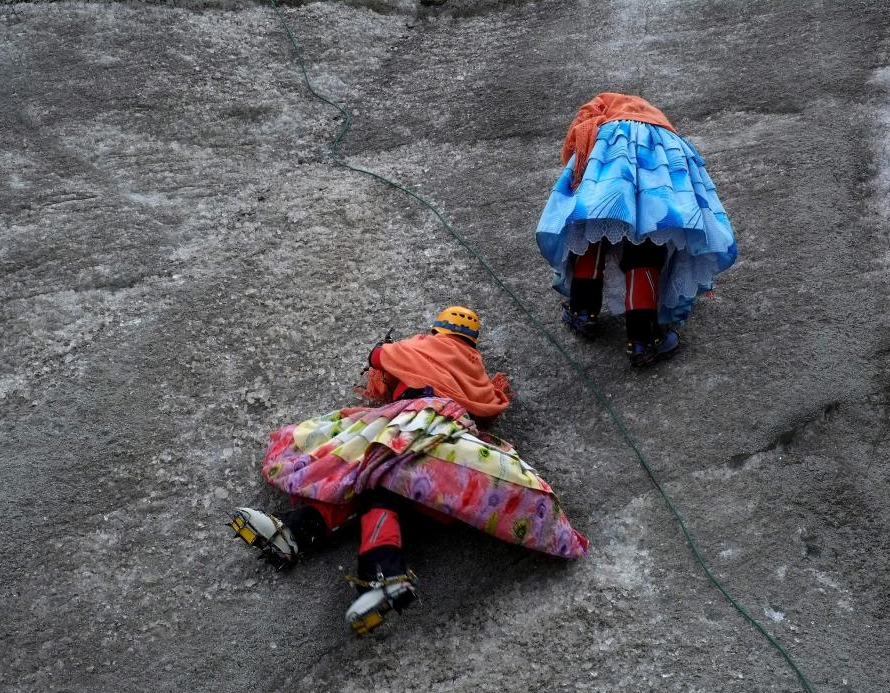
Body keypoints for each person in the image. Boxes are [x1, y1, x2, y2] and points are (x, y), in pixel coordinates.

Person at [230, 306, 589, 635]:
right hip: (449, 446)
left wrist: (385, 350)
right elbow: (489, 407)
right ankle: (348, 558)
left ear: (436, 330)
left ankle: (303, 537)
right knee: (378, 485)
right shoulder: (475, 366)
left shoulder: (423, 346)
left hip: (413, 421)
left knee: (363, 468)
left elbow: (379, 357)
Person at [536, 92, 737, 367]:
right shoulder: (661, 127)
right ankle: (642, 339)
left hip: (610, 154)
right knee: (646, 242)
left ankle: (583, 312)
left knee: (591, 229)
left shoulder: (604, 108)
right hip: (660, 160)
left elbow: (579, 132)